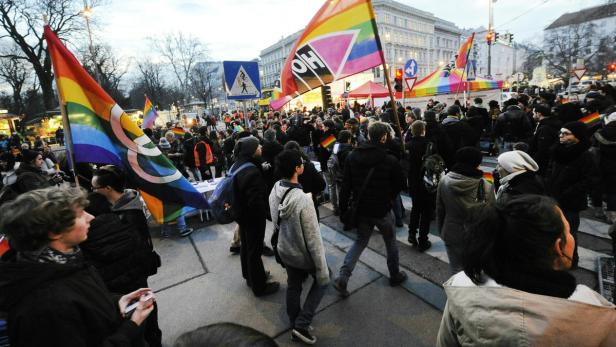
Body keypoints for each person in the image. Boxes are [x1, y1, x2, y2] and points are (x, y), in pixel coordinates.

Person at [437, 195, 616, 346]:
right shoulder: (596, 311)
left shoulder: (461, 287)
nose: (571, 238)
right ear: (558, 247)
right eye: (568, 232)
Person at [0, 187, 156, 346]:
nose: (90, 217)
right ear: (55, 232)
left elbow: (84, 306)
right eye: (81, 214)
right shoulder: (43, 304)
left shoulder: (65, 261)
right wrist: (132, 327)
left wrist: (117, 302)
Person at [91, 165, 163, 345]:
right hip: (133, 273)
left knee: (146, 315)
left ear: (107, 189)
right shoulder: (124, 202)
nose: (92, 192)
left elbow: (135, 248)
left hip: (133, 273)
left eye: (94, 189)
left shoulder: (126, 213)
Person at [333, 121, 407, 297]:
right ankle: (394, 274)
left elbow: (346, 186)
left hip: (362, 209)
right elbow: (401, 184)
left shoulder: (352, 156)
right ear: (384, 137)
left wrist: (343, 210)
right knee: (390, 242)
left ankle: (343, 276)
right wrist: (389, 196)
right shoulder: (389, 159)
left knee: (360, 242)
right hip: (382, 209)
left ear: (368, 135)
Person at [269, 150, 329, 345]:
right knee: (324, 280)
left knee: (294, 284)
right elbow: (314, 239)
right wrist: (321, 268)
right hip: (301, 253)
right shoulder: (303, 199)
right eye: (302, 162)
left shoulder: (276, 187)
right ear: (297, 168)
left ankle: (295, 322)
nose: (304, 163)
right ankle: (302, 325)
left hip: (284, 248)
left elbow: (274, 217)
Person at [546, 121, 600, 268]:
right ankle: (555, 259)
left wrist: (568, 193)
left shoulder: (586, 155)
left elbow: (590, 180)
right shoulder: (558, 150)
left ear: (578, 136)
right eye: (561, 133)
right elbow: (550, 170)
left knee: (568, 232)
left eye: (566, 133)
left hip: (571, 201)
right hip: (553, 198)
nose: (561, 136)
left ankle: (571, 260)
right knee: (552, 231)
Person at [233, 136, 280, 296]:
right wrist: (266, 215)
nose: (261, 147)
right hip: (252, 217)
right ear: (252, 151)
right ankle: (259, 286)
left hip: (242, 215)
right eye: (258, 146)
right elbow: (255, 200)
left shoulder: (238, 164)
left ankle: (250, 276)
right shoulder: (250, 171)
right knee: (254, 250)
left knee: (247, 247)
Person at [437, 147, 495, 273]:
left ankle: (456, 291)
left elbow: (440, 209)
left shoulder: (444, 180)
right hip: (476, 236)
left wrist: (442, 230)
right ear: (476, 163)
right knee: (475, 268)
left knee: (456, 269)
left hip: (452, 232)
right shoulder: (486, 185)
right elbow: (491, 215)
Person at [407, 120, 435, 251]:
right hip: (427, 181)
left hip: (413, 181)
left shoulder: (407, 145)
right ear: (423, 130)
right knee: (426, 212)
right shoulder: (430, 145)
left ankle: (411, 233)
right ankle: (423, 240)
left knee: (415, 208)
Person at [594, 111, 616, 244]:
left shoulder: (601, 132)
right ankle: (612, 213)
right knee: (613, 189)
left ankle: (597, 209)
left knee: (598, 186)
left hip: (600, 164)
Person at [529, 103, 561, 176]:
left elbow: (543, 149)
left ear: (539, 114)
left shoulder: (545, 128)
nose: (532, 115)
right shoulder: (551, 123)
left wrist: (533, 162)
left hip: (543, 165)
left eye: (533, 113)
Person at [326, 130, 353, 216]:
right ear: (348, 139)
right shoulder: (348, 147)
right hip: (341, 171)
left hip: (332, 168)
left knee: (332, 187)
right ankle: (343, 209)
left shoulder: (335, 144)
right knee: (342, 190)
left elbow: (330, 151)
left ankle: (335, 208)